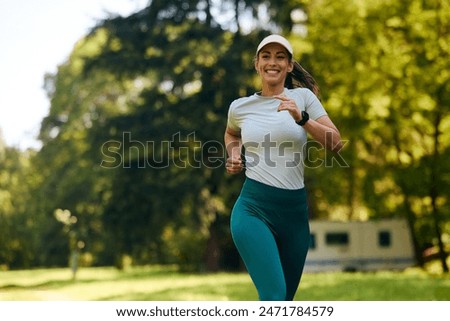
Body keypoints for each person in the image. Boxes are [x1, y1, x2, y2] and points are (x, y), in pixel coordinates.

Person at [224, 34, 342, 301]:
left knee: (285, 301)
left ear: (289, 65)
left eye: (280, 57)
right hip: (253, 208)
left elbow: (336, 143)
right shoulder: (240, 107)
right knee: (274, 296)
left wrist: (302, 119)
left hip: (294, 214)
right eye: (266, 56)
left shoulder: (303, 98)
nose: (272, 62)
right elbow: (231, 135)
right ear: (257, 64)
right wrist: (234, 154)